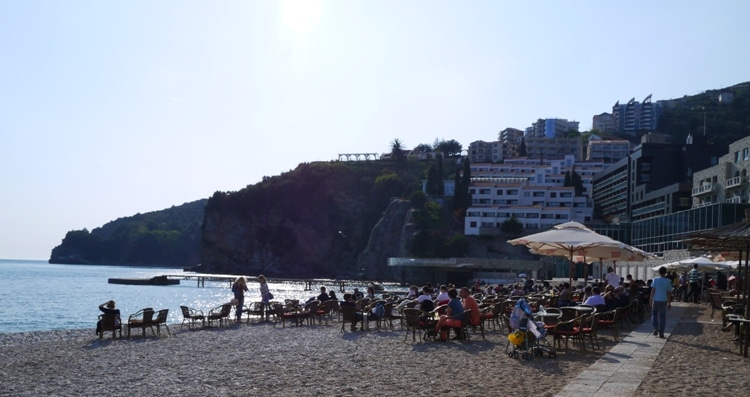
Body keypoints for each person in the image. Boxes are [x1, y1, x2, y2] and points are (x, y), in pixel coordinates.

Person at [650, 266, 673, 338]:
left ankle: (655, 327)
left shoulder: (655, 280)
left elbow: (653, 291)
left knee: (654, 314)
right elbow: (669, 293)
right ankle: (661, 332)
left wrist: (650, 300)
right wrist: (669, 303)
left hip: (656, 299)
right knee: (662, 317)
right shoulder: (668, 281)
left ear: (659, 272)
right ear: (665, 273)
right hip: (664, 300)